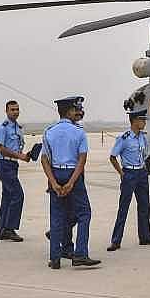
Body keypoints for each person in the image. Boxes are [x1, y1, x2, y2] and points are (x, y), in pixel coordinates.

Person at [41, 96, 100, 269]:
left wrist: (53, 182)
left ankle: (55, 258)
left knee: (57, 216)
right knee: (84, 214)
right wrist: (71, 182)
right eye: (76, 109)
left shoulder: (49, 131)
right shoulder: (78, 132)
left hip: (55, 172)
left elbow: (44, 159)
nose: (78, 112)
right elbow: (82, 160)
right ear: (69, 111)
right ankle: (80, 254)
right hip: (73, 173)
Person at [107, 107, 150, 251]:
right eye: (142, 120)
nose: (144, 122)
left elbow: (146, 154)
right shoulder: (124, 138)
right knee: (123, 207)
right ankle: (116, 240)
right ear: (135, 121)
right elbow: (112, 157)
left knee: (144, 206)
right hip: (129, 174)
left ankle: (145, 237)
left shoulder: (143, 137)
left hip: (141, 174)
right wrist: (121, 173)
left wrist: (145, 169)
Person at [0, 100, 29, 242]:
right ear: (6, 111)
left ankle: (2, 230)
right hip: (4, 164)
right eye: (12, 109)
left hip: (13, 165)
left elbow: (16, 147)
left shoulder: (18, 127)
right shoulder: (3, 127)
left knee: (8, 197)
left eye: (17, 109)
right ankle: (9, 229)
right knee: (18, 195)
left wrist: (24, 156)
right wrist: (20, 156)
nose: (15, 112)